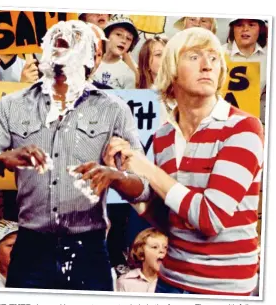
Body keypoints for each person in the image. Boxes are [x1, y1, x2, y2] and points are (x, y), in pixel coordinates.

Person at [0, 20, 149, 291]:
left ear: (95, 58)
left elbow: (142, 188)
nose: (63, 48)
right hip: (30, 248)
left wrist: (116, 177)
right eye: (56, 42)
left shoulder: (115, 110)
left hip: (89, 249)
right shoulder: (11, 106)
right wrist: (1, 159)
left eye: (74, 43)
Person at [74, 27, 263, 295]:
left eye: (213, 57)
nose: (208, 65)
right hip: (170, 281)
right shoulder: (163, 136)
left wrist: (146, 168)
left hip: (224, 288)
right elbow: (169, 221)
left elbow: (209, 218)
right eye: (194, 56)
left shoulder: (243, 128)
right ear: (172, 70)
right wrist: (119, 179)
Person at [222, 18, 268, 116]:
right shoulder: (218, 53)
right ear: (233, 29)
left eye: (251, 25)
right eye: (239, 25)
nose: (245, 29)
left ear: (260, 28)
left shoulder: (269, 56)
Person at [93, 14, 139, 89]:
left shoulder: (128, 75)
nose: (124, 41)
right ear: (107, 35)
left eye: (129, 38)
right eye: (118, 34)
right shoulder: (91, 63)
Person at [116, 228, 168, 292]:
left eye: (165, 247)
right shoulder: (125, 281)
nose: (162, 251)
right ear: (141, 254)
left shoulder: (172, 283)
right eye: (155, 247)